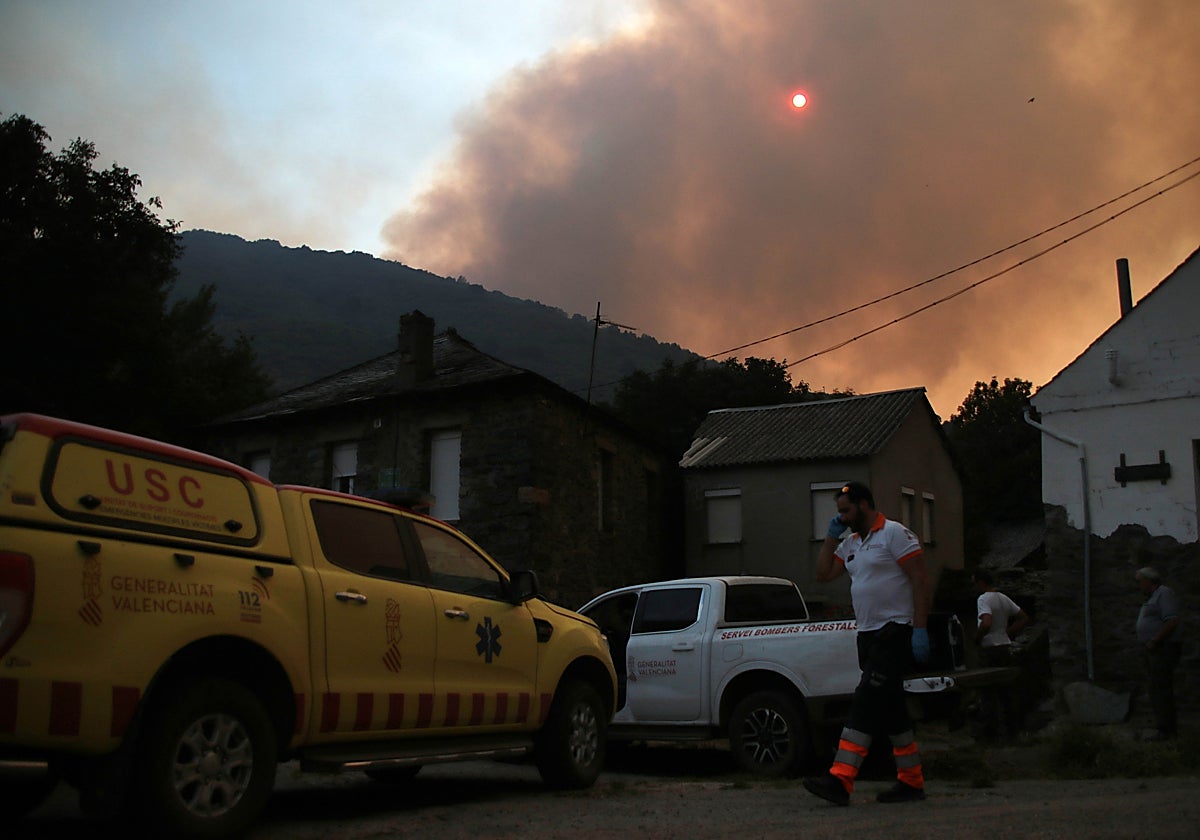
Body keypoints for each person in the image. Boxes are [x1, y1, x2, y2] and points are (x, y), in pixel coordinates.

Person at [803, 481, 931, 806]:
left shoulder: (894, 534)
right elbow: (822, 574)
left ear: (864, 504)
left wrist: (920, 628)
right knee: (892, 712)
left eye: (846, 511)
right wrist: (832, 536)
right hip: (869, 635)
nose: (842, 517)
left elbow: (919, 578)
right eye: (838, 513)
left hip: (895, 631)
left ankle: (841, 780)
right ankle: (912, 782)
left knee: (865, 701)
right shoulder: (852, 543)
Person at [972, 568, 1029, 739]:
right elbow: (1024, 618)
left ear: (981, 582)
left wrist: (977, 637)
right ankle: (1012, 731)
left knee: (987, 691)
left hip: (989, 648)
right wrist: (1008, 632)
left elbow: (986, 622)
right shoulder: (1003, 598)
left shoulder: (983, 599)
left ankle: (990, 733)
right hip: (1004, 645)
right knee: (1006, 691)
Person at [1135, 566, 1182, 741]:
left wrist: (1155, 639)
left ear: (1149, 580)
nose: (1138, 585)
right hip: (1155, 649)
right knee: (1156, 688)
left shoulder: (1164, 594)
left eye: (1140, 581)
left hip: (1163, 648)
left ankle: (1167, 731)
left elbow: (1172, 620)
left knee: (1160, 688)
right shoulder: (1152, 597)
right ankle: (1164, 728)